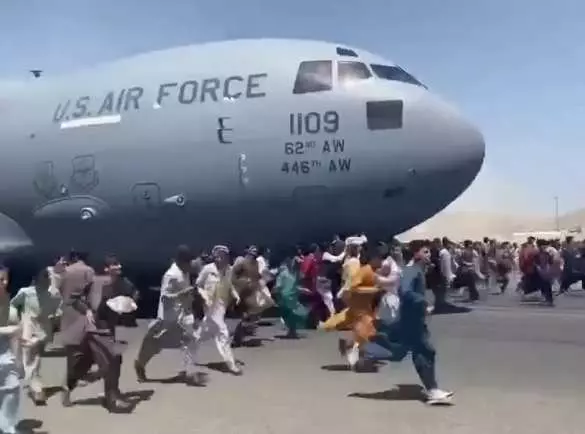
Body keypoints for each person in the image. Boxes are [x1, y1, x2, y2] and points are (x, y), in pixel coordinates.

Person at [363, 240, 454, 405]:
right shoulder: (412, 270)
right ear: (416, 253)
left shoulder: (414, 270)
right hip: (412, 319)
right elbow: (405, 292)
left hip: (412, 318)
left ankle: (370, 348)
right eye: (425, 252)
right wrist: (423, 302)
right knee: (425, 351)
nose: (429, 255)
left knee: (405, 350)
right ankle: (433, 391)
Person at [60, 250, 131, 412]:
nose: (119, 266)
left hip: (108, 329)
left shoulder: (122, 282)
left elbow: (132, 295)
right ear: (106, 268)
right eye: (114, 264)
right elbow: (73, 298)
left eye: (119, 264)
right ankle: (111, 398)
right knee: (111, 359)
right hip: (95, 329)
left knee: (87, 362)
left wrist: (129, 304)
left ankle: (72, 386)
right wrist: (87, 310)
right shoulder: (96, 282)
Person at [134, 245, 204, 385]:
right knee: (154, 345)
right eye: (188, 262)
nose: (190, 265)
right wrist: (181, 294)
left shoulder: (185, 272)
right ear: (181, 261)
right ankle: (140, 364)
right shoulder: (171, 275)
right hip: (167, 318)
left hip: (181, 317)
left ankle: (190, 372)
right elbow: (165, 297)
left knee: (189, 341)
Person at [11, 267, 61, 405]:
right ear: (37, 278)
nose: (47, 279)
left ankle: (35, 384)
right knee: (32, 358)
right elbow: (13, 305)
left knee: (38, 356)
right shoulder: (26, 292)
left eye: (48, 277)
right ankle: (36, 388)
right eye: (44, 276)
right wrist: (15, 319)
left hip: (44, 329)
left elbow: (58, 310)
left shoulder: (54, 294)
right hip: (29, 326)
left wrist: (55, 319)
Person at [192, 245, 241, 375]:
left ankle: (189, 353)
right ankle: (231, 365)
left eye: (223, 256)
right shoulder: (208, 269)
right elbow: (198, 285)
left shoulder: (228, 270)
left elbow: (229, 285)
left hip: (221, 304)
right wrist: (204, 296)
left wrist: (235, 295)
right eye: (218, 256)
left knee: (201, 334)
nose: (220, 259)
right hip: (210, 304)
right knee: (223, 332)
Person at [0, 266, 23, 433]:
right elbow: (12, 331)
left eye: (5, 279)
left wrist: (19, 361)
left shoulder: (10, 306)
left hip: (6, 356)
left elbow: (15, 335)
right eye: (0, 279)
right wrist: (6, 330)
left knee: (13, 389)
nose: (3, 282)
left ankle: (8, 427)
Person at [274, 254, 309, 339]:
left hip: (293, 297)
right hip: (285, 297)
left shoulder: (296, 274)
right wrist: (276, 295)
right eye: (296, 263)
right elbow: (278, 286)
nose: (297, 265)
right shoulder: (283, 273)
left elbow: (294, 286)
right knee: (291, 314)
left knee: (298, 314)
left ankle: (292, 331)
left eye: (298, 264)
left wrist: (302, 290)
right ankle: (292, 331)